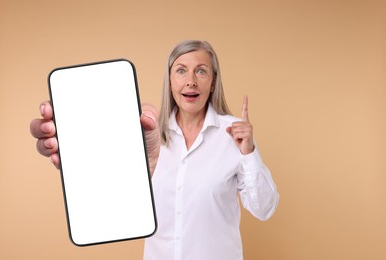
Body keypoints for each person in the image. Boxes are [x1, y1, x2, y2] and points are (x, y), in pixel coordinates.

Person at [30, 40, 279, 260]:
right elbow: (116, 200)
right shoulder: (145, 136)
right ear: (170, 81)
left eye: (201, 71)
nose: (191, 80)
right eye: (181, 71)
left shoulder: (234, 136)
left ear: (213, 83)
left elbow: (264, 209)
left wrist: (249, 152)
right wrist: (82, 156)